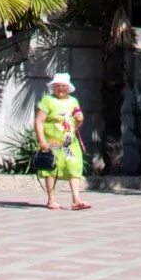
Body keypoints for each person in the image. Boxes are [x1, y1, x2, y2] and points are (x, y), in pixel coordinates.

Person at [34, 71, 89, 211]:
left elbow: (76, 124)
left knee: (73, 166)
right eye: (57, 86)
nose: (60, 89)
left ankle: (76, 199)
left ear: (68, 87)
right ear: (53, 87)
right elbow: (39, 121)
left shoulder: (73, 101)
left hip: (70, 142)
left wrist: (80, 119)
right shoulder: (47, 100)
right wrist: (41, 141)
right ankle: (51, 200)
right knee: (51, 168)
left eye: (63, 86)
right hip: (52, 141)